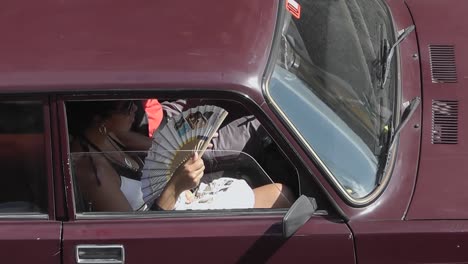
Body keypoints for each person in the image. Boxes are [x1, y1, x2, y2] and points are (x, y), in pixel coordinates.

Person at [67, 100, 294, 212]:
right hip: (170, 216)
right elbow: (138, 238)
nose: (135, 110)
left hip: (181, 197)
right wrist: (176, 187)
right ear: (98, 119)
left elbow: (164, 149)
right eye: (126, 107)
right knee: (281, 195)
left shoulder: (111, 136)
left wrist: (197, 142)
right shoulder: (94, 174)